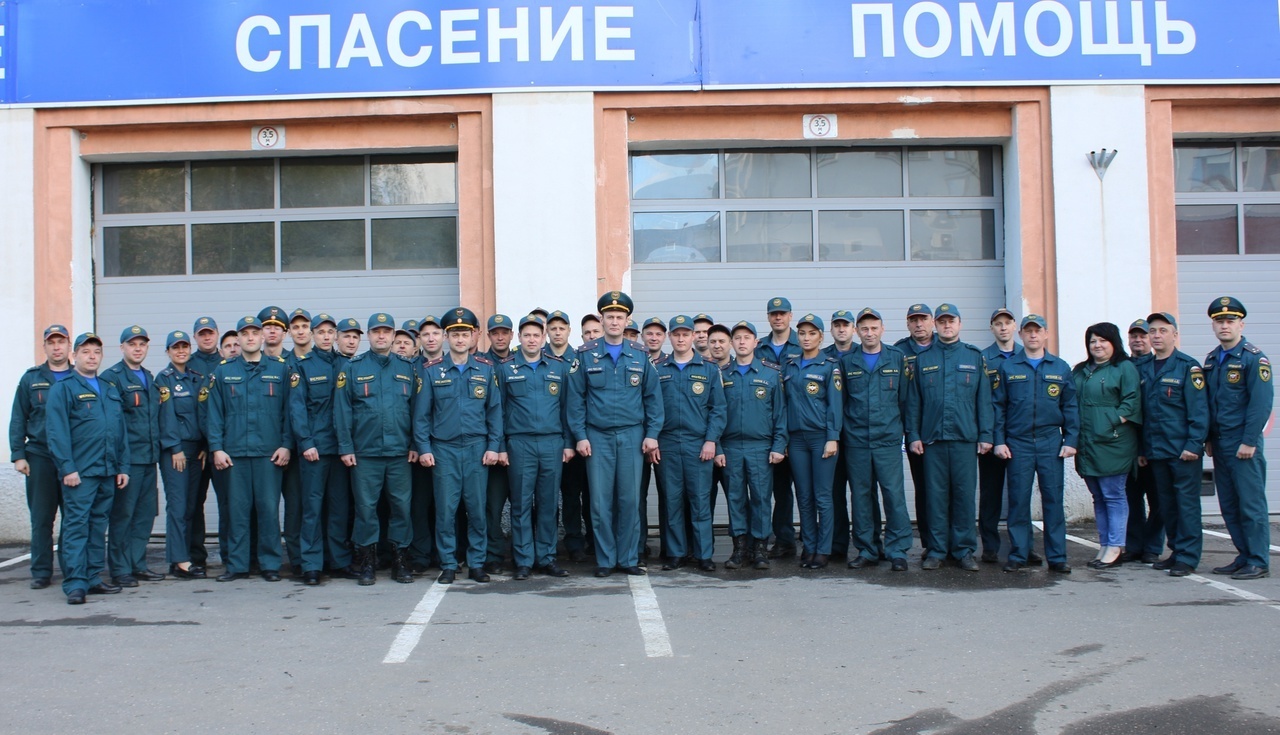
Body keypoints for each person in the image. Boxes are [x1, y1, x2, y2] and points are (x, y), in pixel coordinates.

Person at [566, 291, 663, 578]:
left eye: (620, 317)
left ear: (626, 320)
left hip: (633, 436)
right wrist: (580, 436)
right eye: (609, 317)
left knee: (630, 500)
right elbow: (575, 400)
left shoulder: (639, 355)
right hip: (598, 438)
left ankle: (629, 557)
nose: (614, 322)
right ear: (602, 319)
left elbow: (653, 399)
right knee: (599, 501)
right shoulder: (585, 355)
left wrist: (652, 433)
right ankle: (606, 559)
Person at [415, 307, 504, 584]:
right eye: (454, 334)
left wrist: (493, 446)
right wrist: (425, 448)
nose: (460, 338)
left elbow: (495, 412)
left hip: (477, 449)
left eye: (464, 333)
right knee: (446, 510)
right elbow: (421, 415)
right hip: (444, 451)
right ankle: (449, 564)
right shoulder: (432, 372)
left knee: (477, 509)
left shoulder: (486, 370)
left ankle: (477, 563)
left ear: (473, 336)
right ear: (447, 337)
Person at [206, 315, 293, 583]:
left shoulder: (280, 369)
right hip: (235, 455)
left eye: (255, 333)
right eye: (245, 334)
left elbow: (289, 412)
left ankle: (269, 564)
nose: (251, 337)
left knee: (268, 509)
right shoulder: (223, 371)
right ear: (239, 339)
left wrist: (287, 445)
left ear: (263, 337)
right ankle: (237, 565)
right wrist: (217, 448)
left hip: (269, 454)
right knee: (237, 510)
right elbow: (214, 414)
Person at [906, 304, 992, 571]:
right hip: (933, 441)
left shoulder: (974, 357)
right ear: (936, 325)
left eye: (950, 321)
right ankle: (936, 550)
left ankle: (964, 550)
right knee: (935, 497)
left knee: (964, 497)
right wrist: (914, 435)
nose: (946, 326)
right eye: (942, 322)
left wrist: (986, 435)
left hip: (965, 439)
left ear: (959, 324)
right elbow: (914, 402)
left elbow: (984, 400)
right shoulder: (923, 359)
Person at [334, 313, 419, 586]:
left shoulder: (408, 368)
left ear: (394, 335)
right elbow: (343, 411)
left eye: (386, 331)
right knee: (365, 509)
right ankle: (367, 562)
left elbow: (418, 411)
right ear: (368, 336)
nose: (381, 336)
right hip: (365, 453)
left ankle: (400, 561)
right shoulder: (352, 368)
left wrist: (416, 444)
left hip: (399, 453)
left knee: (401, 508)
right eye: (376, 331)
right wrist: (346, 447)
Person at [45, 333, 130, 604]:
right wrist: (67, 468)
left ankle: (93, 577)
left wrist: (122, 467)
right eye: (85, 352)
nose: (92, 356)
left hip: (106, 470)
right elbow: (56, 432)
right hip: (80, 473)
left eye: (96, 352)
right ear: (75, 355)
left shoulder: (108, 388)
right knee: (76, 527)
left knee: (97, 527)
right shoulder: (64, 387)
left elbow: (120, 432)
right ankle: (76, 583)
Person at [992, 315, 1078, 574]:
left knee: (1053, 500)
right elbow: (998, 408)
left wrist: (1071, 439)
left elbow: (1071, 406)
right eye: (1028, 331)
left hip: (1050, 441)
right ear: (1020, 335)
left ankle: (1057, 557)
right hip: (1018, 443)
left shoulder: (1060, 367)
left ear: (1046, 334)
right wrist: (999, 441)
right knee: (1018, 501)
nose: (1032, 335)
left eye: (1037, 331)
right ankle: (1019, 554)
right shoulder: (1009, 368)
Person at [495, 314, 572, 580]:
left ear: (544, 338)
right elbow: (499, 411)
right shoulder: (505, 368)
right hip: (520, 444)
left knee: (549, 503)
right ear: (519, 338)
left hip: (552, 443)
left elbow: (567, 409)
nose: (531, 339)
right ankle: (524, 560)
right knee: (521, 504)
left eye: (536, 335)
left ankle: (547, 558)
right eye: (526, 335)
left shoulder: (558, 368)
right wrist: (502, 446)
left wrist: (568, 444)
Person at [1203, 297, 1273, 580]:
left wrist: (1250, 440)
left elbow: (1260, 404)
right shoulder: (1212, 360)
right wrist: (1208, 438)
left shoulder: (1254, 358)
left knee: (1251, 504)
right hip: (1220, 443)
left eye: (1230, 321)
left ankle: (1258, 560)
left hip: (1243, 444)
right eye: (1219, 321)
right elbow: (1209, 403)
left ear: (1241, 324)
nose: (1224, 326)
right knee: (1229, 504)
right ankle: (1244, 555)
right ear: (1213, 326)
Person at [839, 308, 912, 572]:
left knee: (893, 496)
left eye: (874, 328)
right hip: (857, 441)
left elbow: (906, 400)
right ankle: (868, 549)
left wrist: (906, 435)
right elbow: (843, 402)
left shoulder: (896, 358)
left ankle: (897, 550)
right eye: (864, 329)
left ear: (882, 329)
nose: (869, 333)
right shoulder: (847, 362)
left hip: (887, 440)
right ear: (857, 331)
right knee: (861, 497)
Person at [1138, 312, 1209, 578]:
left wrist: (1194, 444)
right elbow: (1144, 413)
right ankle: (1176, 551)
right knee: (1166, 505)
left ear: (1175, 335)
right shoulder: (1144, 368)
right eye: (1152, 331)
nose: (1156, 335)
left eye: (1163, 331)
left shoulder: (1187, 367)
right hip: (1157, 450)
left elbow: (1199, 411)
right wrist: (1143, 450)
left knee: (1186, 504)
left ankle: (1188, 557)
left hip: (1183, 451)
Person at [654, 315, 726, 572]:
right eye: (677, 334)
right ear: (670, 337)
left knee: (700, 501)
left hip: (699, 445)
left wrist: (711, 441)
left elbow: (718, 409)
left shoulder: (708, 369)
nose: (681, 338)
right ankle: (676, 553)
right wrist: (654, 441)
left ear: (694, 337)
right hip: (668, 443)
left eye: (686, 334)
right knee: (672, 501)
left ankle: (704, 554)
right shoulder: (659, 369)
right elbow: (652, 408)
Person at [289, 313, 354, 585]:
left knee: (339, 507)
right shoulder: (303, 365)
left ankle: (338, 561)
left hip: (341, 450)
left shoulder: (348, 364)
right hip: (315, 449)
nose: (326, 337)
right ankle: (312, 564)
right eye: (321, 332)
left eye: (331, 332)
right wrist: (306, 442)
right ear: (313, 336)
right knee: (313, 508)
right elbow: (297, 406)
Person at [1071, 322, 1142, 570]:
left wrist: (1109, 421)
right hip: (1088, 443)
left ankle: (1115, 546)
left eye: (1102, 340)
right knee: (1098, 497)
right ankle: (1104, 544)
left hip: (1113, 442)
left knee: (1113, 495)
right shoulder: (1080, 370)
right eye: (1092, 341)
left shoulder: (1124, 368)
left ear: (1114, 342)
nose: (1097, 345)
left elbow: (1131, 402)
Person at [9, 325, 75, 589]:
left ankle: (73, 569)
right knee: (42, 518)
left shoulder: (79, 377)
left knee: (73, 518)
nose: (56, 347)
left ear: (69, 346)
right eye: (52, 342)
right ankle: (41, 571)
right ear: (45, 346)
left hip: (72, 459)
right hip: (39, 456)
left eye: (61, 342)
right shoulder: (31, 379)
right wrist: (18, 455)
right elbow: (18, 417)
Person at [100, 325, 164, 587]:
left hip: (149, 458)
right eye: (132, 344)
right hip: (128, 461)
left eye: (142, 344)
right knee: (122, 516)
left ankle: (138, 563)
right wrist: (118, 462)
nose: (138, 349)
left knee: (145, 515)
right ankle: (120, 568)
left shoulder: (149, 377)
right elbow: (111, 424)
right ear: (122, 348)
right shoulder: (111, 378)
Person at [719, 321, 786, 569]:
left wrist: (779, 445)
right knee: (735, 498)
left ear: (756, 342)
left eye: (747, 338)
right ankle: (739, 549)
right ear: (732, 343)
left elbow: (780, 413)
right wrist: (716, 447)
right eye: (737, 338)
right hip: (731, 446)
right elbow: (715, 413)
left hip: (761, 446)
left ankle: (760, 548)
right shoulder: (723, 374)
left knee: (760, 498)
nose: (742, 342)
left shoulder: (770, 374)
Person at [782, 314, 842, 569]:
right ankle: (808, 546)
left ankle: (823, 550)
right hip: (796, 440)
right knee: (803, 496)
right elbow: (783, 405)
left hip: (821, 439)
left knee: (823, 496)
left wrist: (833, 437)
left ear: (821, 336)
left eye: (812, 333)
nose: (806, 338)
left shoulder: (829, 366)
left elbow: (835, 405)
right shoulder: (790, 365)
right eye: (802, 333)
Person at [155, 330, 207, 579]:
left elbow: (205, 415)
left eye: (184, 346)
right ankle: (179, 561)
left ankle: (185, 555)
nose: (181, 351)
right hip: (177, 451)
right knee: (177, 505)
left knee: (191, 506)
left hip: (197, 451)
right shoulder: (164, 380)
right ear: (168, 352)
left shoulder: (197, 379)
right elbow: (166, 417)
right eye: (175, 347)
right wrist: (174, 448)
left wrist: (207, 446)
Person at [756, 297, 802, 559]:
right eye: (773, 314)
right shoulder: (760, 348)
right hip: (772, 429)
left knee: (808, 490)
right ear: (768, 317)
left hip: (801, 427)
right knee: (780, 490)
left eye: (782, 313)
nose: (778, 318)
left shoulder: (804, 343)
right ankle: (784, 540)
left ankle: (815, 540)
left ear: (790, 316)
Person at [979, 307, 1022, 564]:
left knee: (1019, 495)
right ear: (991, 328)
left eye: (1007, 323)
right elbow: (982, 401)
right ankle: (990, 547)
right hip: (991, 438)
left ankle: (1023, 545)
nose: (1003, 327)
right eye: (998, 323)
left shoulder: (1027, 354)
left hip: (1019, 438)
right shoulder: (983, 359)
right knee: (990, 496)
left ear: (1014, 326)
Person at [1122, 317, 1163, 563]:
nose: (1138, 340)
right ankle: (1134, 546)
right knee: (1131, 498)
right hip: (1127, 445)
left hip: (1154, 444)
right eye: (1134, 336)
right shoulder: (1123, 366)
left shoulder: (1158, 365)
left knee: (1158, 499)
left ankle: (1153, 547)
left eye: (1143, 336)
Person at [896, 303, 935, 556]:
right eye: (914, 320)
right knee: (923, 488)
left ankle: (952, 542)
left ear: (932, 321)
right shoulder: (899, 351)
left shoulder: (945, 347)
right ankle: (930, 543)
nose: (919, 324)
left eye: (923, 319)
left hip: (943, 431)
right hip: (914, 432)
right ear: (908, 324)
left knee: (947, 489)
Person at [186, 317, 222, 569]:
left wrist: (216, 446)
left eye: (210, 333)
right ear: (195, 338)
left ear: (217, 334)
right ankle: (196, 557)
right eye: (202, 334)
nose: (207, 337)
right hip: (197, 450)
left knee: (230, 504)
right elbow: (188, 411)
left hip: (221, 449)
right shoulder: (186, 365)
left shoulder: (228, 363)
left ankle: (232, 556)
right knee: (194, 503)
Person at [481, 314, 514, 573]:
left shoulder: (520, 361)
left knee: (527, 505)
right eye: (495, 333)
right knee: (493, 505)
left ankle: (525, 552)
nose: (500, 337)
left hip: (520, 446)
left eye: (504, 332)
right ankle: (494, 554)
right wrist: (497, 445)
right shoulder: (481, 364)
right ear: (488, 336)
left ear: (511, 335)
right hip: (493, 447)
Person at [824, 309, 859, 561]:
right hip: (831, 437)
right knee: (834, 493)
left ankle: (869, 545)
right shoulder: (823, 357)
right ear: (831, 330)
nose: (841, 329)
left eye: (845, 325)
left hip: (858, 436)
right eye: (837, 325)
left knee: (862, 492)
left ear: (853, 328)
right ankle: (837, 545)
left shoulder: (865, 353)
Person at [638, 315, 669, 559]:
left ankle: (670, 547)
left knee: (668, 494)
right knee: (637, 495)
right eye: (649, 333)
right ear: (642, 336)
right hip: (638, 440)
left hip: (664, 440)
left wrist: (655, 435)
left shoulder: (670, 364)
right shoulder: (636, 360)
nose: (654, 337)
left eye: (658, 334)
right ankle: (639, 544)